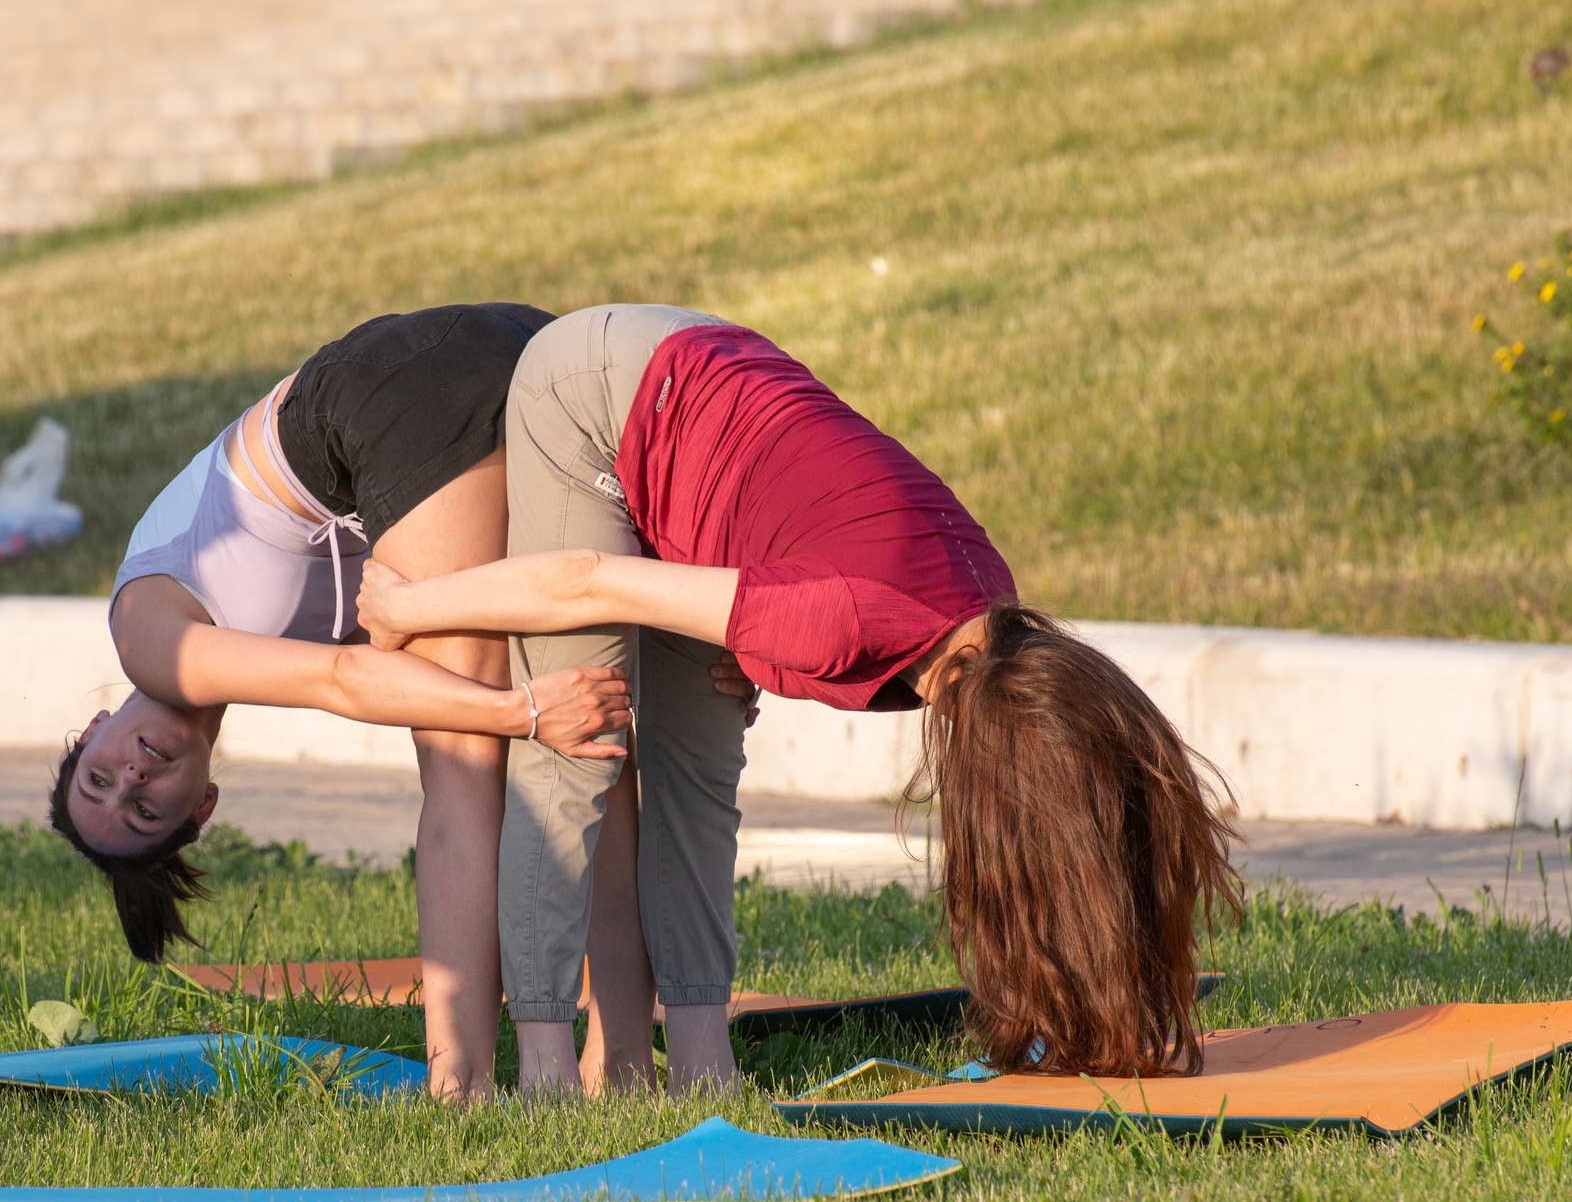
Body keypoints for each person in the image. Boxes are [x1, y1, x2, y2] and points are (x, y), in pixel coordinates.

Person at [356, 304, 1243, 1087]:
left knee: (699, 771)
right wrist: (409, 607)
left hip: (715, 416)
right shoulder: (849, 623)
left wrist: (764, 651)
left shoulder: (992, 632)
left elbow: (830, 546)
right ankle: (546, 1064)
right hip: (599, 391)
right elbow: (587, 583)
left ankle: (701, 1063)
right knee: (577, 728)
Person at [47, 304, 679, 1101]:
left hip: (399, 389)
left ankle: (463, 1087)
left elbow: (347, 683)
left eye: (99, 777)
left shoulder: (148, 639)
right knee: (591, 726)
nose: (131, 778)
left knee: (462, 758)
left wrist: (517, 711)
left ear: (95, 729)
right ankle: (621, 1060)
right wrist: (536, 708)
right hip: (514, 345)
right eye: (144, 810)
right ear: (201, 805)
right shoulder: (226, 649)